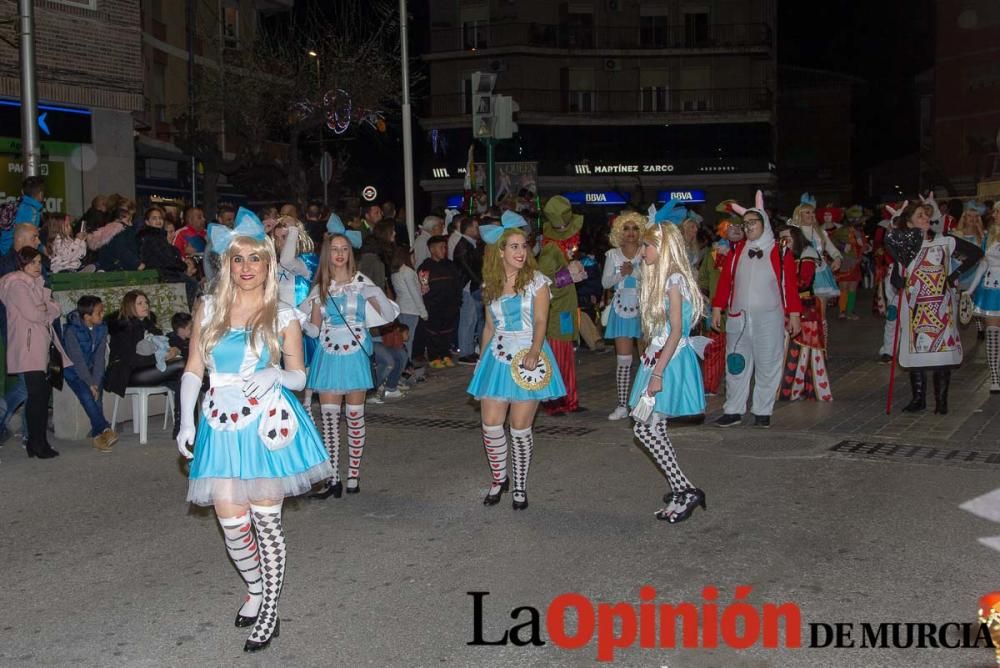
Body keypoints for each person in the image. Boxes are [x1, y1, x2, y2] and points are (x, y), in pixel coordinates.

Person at [175, 208, 332, 653]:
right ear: (227, 263)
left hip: (267, 425)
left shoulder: (284, 315)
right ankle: (257, 587)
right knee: (230, 521)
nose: (246, 268)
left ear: (268, 263)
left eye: (255, 259)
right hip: (220, 424)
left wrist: (277, 376)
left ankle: (269, 611)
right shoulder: (208, 307)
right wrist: (187, 420)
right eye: (238, 259)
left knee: (267, 523)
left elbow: (300, 376)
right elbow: (192, 370)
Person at [466, 216, 566, 510]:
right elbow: (488, 326)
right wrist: (481, 362)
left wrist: (535, 351)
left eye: (523, 245)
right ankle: (499, 479)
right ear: (500, 252)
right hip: (496, 358)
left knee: (520, 429)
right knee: (491, 426)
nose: (521, 252)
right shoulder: (490, 285)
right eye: (513, 246)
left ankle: (520, 486)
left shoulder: (537, 282)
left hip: (527, 358)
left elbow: (540, 320)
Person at [304, 227, 399, 498]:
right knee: (330, 421)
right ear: (327, 254)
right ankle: (333, 478)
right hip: (328, 356)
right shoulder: (320, 288)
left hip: (355, 355)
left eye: (344, 249)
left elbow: (385, 313)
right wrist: (291, 320)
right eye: (335, 249)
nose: (340, 254)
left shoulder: (361, 282)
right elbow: (313, 328)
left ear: (350, 254)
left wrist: (372, 292)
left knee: (355, 419)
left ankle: (353, 475)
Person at [627, 220, 707, 522]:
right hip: (660, 358)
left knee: (644, 429)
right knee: (652, 428)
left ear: (662, 247)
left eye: (647, 246)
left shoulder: (674, 279)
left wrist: (657, 373)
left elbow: (676, 331)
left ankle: (685, 489)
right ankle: (682, 490)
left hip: (670, 362)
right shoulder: (664, 279)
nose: (643, 251)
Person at [711, 191, 802, 428]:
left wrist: (794, 315)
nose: (748, 227)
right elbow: (725, 282)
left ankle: (763, 410)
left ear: (765, 224)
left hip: (769, 318)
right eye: (746, 223)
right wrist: (717, 308)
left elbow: (790, 286)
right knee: (736, 363)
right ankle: (733, 410)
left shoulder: (780, 252)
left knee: (768, 363)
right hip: (738, 318)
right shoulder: (736, 251)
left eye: (753, 222)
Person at [886, 201, 983, 414]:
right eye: (920, 215)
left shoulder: (945, 240)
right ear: (909, 221)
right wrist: (900, 281)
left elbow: (975, 253)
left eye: (927, 215)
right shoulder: (905, 246)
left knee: (942, 354)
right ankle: (918, 399)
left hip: (940, 306)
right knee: (916, 352)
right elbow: (896, 277)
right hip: (915, 307)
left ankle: (941, 402)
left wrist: (954, 275)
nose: (926, 219)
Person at [0, 247, 69, 459]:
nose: (37, 266)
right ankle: (37, 443)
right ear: (21, 264)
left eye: (39, 262)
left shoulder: (36, 284)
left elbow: (53, 309)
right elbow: (34, 313)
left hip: (40, 345)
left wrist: (46, 309)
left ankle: (37, 443)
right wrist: (47, 309)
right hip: (28, 347)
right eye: (32, 263)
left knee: (39, 396)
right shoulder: (17, 284)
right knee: (37, 396)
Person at [104, 290, 185, 433]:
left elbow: (167, 342)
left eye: (146, 302)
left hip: (148, 369)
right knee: (182, 365)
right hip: (128, 373)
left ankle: (181, 423)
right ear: (130, 306)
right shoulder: (123, 328)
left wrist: (175, 350)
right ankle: (182, 424)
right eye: (140, 303)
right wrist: (161, 357)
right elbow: (130, 359)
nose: (145, 306)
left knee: (181, 379)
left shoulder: (149, 325)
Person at [537, 196, 587, 415]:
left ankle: (568, 399)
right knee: (556, 357)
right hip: (555, 313)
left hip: (564, 311)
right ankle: (553, 401)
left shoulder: (561, 248)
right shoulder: (550, 251)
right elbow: (542, 284)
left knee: (565, 354)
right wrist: (569, 276)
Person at [776, 226, 832, 401]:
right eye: (781, 240)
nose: (783, 243)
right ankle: (791, 388)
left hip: (805, 309)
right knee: (788, 348)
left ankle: (797, 388)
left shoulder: (807, 256)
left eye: (787, 239)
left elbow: (803, 282)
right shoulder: (784, 257)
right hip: (788, 308)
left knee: (804, 350)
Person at [62, 295, 119, 451]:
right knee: (87, 396)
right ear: (87, 317)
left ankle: (97, 437)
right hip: (73, 371)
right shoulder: (71, 331)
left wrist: (96, 380)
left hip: (93, 370)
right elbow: (77, 360)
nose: (102, 315)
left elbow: (100, 357)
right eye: (99, 313)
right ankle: (106, 429)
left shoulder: (102, 328)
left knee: (97, 398)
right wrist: (89, 383)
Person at [603, 211, 644, 420]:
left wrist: (635, 272)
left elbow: (653, 280)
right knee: (624, 360)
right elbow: (605, 283)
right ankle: (622, 405)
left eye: (635, 228)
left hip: (644, 308)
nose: (631, 233)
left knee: (649, 359)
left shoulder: (647, 252)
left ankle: (646, 404)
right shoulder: (612, 255)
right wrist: (622, 273)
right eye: (626, 228)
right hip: (621, 309)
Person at [699, 218, 743, 396]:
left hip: (742, 309)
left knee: (739, 349)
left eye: (740, 227)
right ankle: (710, 385)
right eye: (731, 227)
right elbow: (703, 278)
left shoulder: (749, 251)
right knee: (714, 348)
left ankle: (736, 387)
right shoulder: (713, 254)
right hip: (717, 309)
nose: (735, 230)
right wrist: (705, 298)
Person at [138, 206, 199, 307]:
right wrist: (183, 266)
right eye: (154, 218)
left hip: (164, 272)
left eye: (160, 218)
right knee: (191, 283)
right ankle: (185, 313)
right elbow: (166, 259)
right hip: (161, 273)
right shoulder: (152, 238)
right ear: (147, 222)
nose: (158, 221)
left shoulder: (158, 236)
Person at [418, 235, 464, 368]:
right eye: (441, 247)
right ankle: (434, 357)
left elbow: (457, 284)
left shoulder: (450, 265)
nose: (444, 250)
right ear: (432, 249)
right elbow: (424, 289)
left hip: (450, 306)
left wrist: (458, 301)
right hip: (433, 307)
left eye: (445, 247)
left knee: (448, 332)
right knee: (433, 333)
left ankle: (446, 355)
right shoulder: (425, 268)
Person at [790, 193, 842, 304]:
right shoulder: (794, 232)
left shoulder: (820, 232)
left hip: (820, 272)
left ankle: (822, 321)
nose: (811, 215)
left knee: (821, 304)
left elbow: (832, 249)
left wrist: (837, 258)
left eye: (813, 212)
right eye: (807, 212)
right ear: (799, 215)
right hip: (801, 273)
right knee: (804, 304)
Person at [969, 213, 1000, 394]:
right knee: (993, 335)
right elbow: (982, 265)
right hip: (990, 291)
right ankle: (995, 378)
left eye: (997, 212)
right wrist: (971, 290)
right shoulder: (988, 237)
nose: (994, 215)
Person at [453, 217, 484, 364]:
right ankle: (465, 352)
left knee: (472, 320)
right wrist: (479, 282)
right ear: (469, 228)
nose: (478, 230)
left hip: (470, 285)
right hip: (467, 287)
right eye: (476, 227)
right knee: (468, 319)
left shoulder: (469, 244)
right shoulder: (464, 245)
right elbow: (468, 268)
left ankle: (468, 350)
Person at [390, 246, 427, 365]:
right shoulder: (408, 272)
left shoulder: (395, 272)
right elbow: (414, 293)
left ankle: (403, 364)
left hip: (401, 307)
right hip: (411, 309)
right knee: (408, 339)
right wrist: (423, 311)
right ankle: (406, 364)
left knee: (401, 339)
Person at [88, 205, 141, 272]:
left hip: (109, 268)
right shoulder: (120, 232)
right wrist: (137, 264)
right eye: (128, 221)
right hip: (119, 268)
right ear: (118, 220)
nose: (131, 224)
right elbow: (122, 251)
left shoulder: (107, 234)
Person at [1, 176, 45, 255]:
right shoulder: (32, 211)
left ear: (22, 192)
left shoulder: (18, 206)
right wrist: (42, 249)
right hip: (15, 253)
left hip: (4, 251)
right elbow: (29, 239)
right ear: (41, 194)